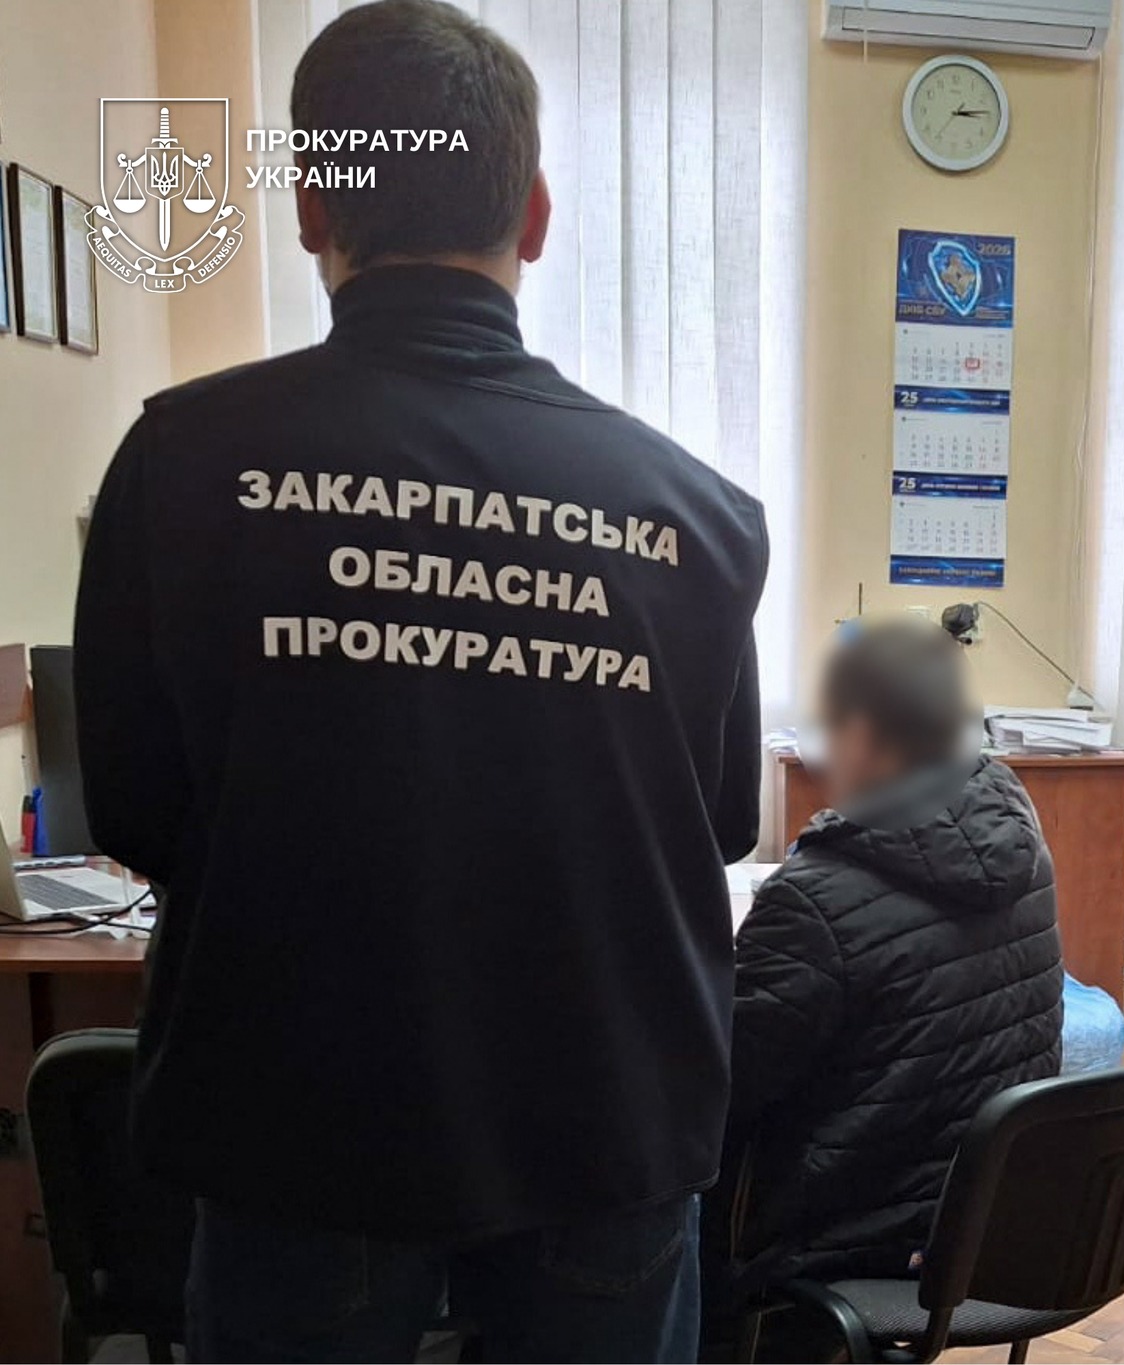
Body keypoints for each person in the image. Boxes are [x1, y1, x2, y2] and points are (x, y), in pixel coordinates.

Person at [71, 2, 767, 1359]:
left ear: (312, 207)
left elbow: (138, 813)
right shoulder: (695, 513)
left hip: (303, 1126)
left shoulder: (181, 463)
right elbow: (723, 825)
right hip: (604, 1122)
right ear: (536, 214)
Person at [701, 620, 1063, 1354]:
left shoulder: (815, 897)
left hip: (852, 1241)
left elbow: (715, 1092)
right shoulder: (1021, 838)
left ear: (863, 736)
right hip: (988, 1222)